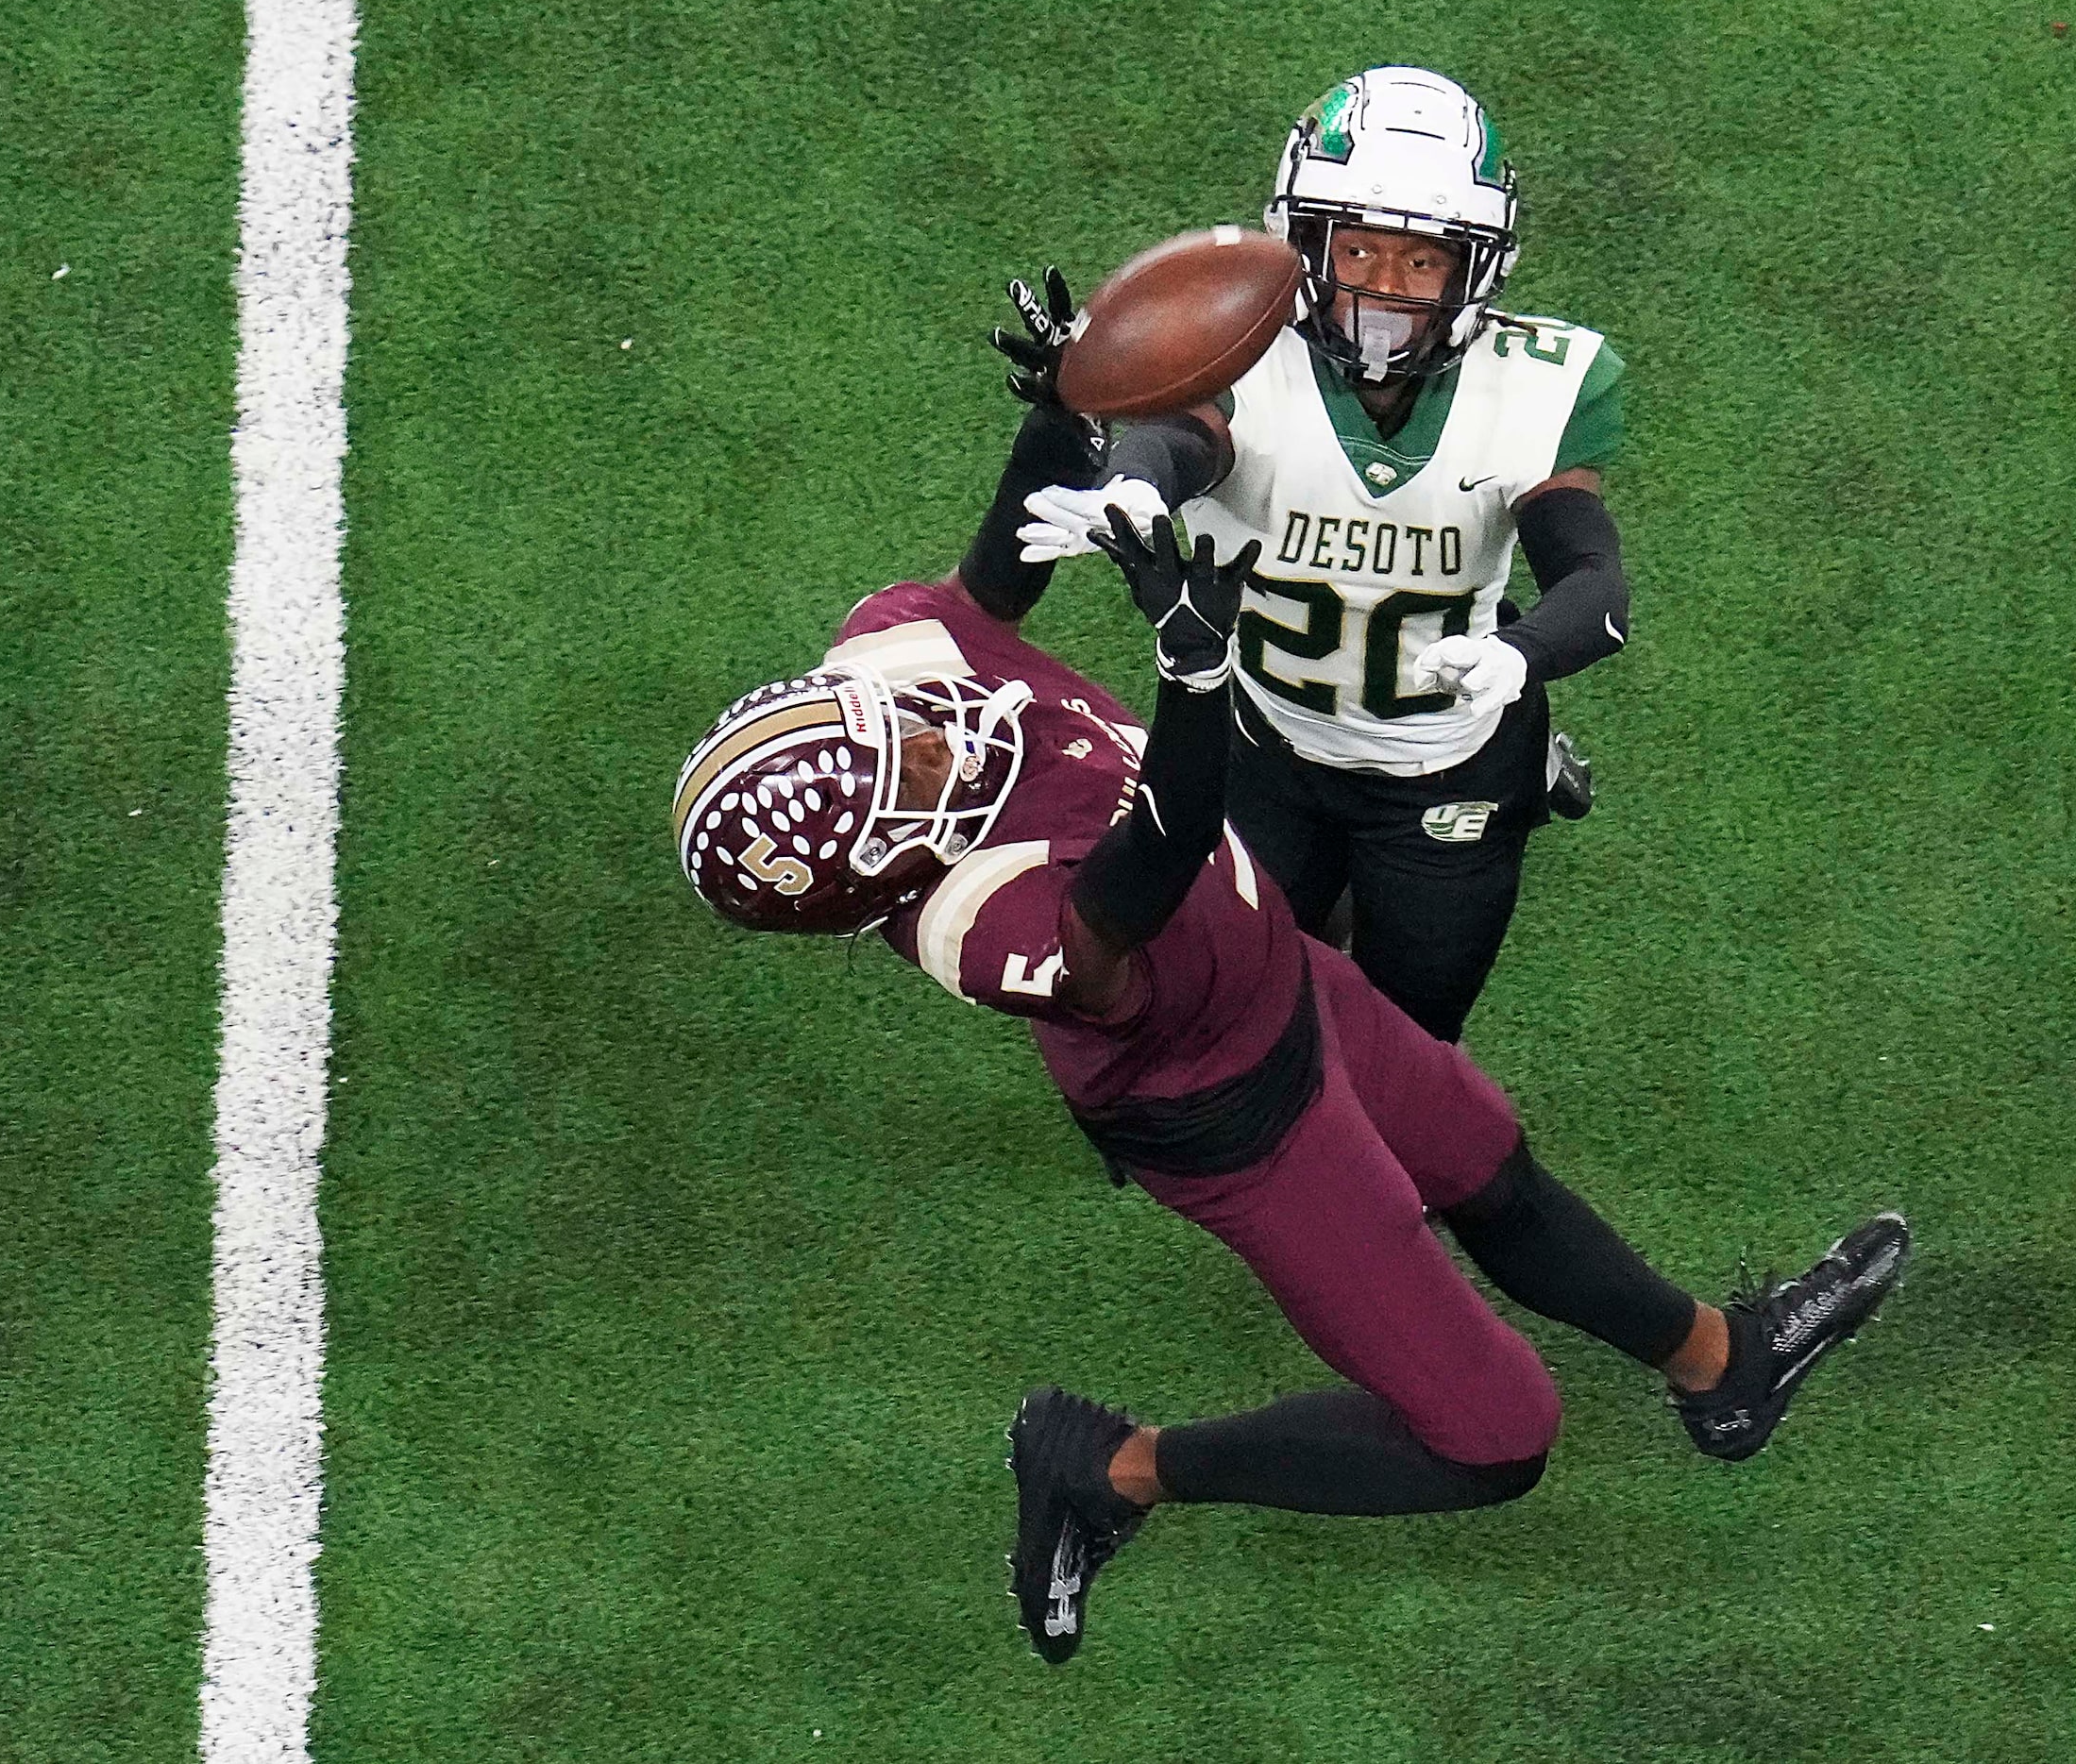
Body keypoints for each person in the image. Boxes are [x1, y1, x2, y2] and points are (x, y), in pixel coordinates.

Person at [670, 387, 1910, 1665]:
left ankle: (1723, 1367)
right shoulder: (977, 926)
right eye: (904, 774)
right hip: (1233, 1114)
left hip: (1283, 971)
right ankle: (1109, 1466)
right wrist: (1194, 668)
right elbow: (1153, 857)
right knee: (1494, 1436)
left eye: (885, 732)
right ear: (884, 866)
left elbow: (997, 572)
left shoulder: (892, 666)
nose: (926, 738)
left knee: (1487, 1163)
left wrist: (1061, 406)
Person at [1010, 65, 1629, 1042]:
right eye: (1360, 249)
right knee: (1236, 996)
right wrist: (1135, 483)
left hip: (1446, 761)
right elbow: (1185, 434)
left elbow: (1594, 587)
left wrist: (1520, 657)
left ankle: (1519, 762)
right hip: (1268, 740)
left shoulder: (1541, 387)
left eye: (1421, 261)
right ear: (1303, 242)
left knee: (1407, 1038)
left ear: (1475, 270)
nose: (1383, 286)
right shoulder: (1244, 350)